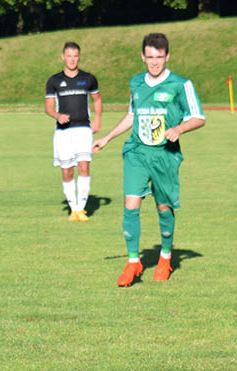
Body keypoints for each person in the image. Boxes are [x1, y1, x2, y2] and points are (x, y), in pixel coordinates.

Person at [92, 33, 205, 287]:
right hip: (137, 152)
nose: (154, 62)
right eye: (150, 57)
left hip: (165, 155)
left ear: (167, 57)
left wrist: (180, 129)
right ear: (143, 56)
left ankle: (165, 258)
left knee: (164, 208)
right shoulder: (136, 83)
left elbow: (198, 117)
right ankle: (133, 262)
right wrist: (107, 138)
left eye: (159, 57)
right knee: (130, 204)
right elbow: (132, 115)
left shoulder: (180, 84)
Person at [45, 42, 102, 222]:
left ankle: (81, 209)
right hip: (63, 132)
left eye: (75, 55)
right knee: (67, 171)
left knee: (84, 166)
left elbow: (97, 100)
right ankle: (72, 207)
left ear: (79, 57)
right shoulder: (54, 81)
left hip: (83, 129)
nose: (72, 59)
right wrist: (57, 115)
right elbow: (48, 106)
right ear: (63, 57)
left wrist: (98, 118)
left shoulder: (88, 78)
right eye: (68, 55)